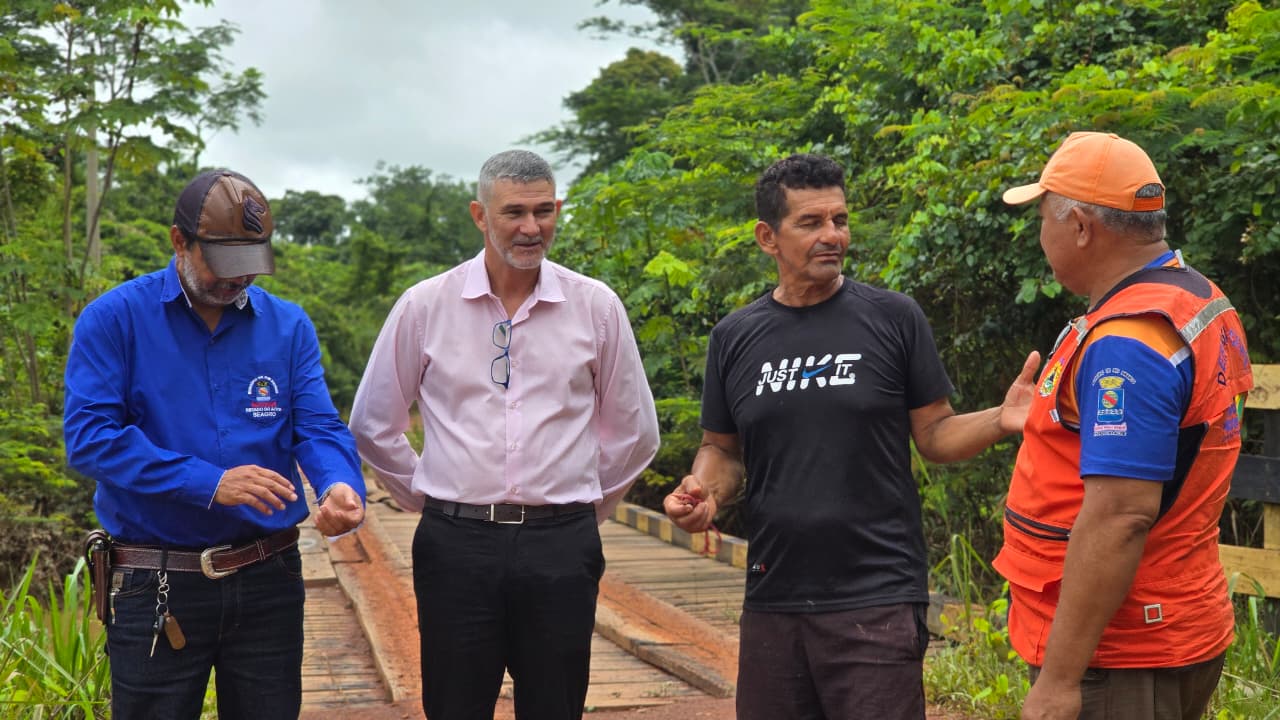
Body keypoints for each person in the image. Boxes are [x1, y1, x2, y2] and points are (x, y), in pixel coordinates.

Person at [662, 153, 1040, 720]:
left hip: (877, 595)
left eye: (839, 220)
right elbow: (722, 448)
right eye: (811, 223)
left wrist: (999, 419)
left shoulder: (892, 318)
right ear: (769, 237)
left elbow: (934, 433)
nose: (832, 235)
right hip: (774, 594)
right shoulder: (734, 337)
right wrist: (706, 493)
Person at [348, 149, 660, 720]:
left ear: (558, 209)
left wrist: (581, 509)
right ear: (479, 215)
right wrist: (428, 496)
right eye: (513, 211)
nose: (531, 227)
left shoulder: (596, 307)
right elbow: (372, 423)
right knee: (455, 703)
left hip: (561, 545)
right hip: (455, 546)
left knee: (555, 704)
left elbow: (634, 433)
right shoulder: (425, 306)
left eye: (544, 211)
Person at [63, 169, 367, 720]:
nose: (238, 282)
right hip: (158, 581)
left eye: (250, 265)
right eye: (224, 265)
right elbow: (90, 439)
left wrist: (338, 482)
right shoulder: (115, 320)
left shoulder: (288, 326)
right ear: (180, 242)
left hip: (269, 578)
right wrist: (209, 483)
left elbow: (317, 427)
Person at [994, 131, 1253, 720]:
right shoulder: (1196, 299)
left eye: (1042, 217)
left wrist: (1060, 681)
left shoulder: (1127, 343)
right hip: (1170, 619)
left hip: (1119, 653)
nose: (1041, 235)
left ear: (1081, 226)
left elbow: (1121, 514)